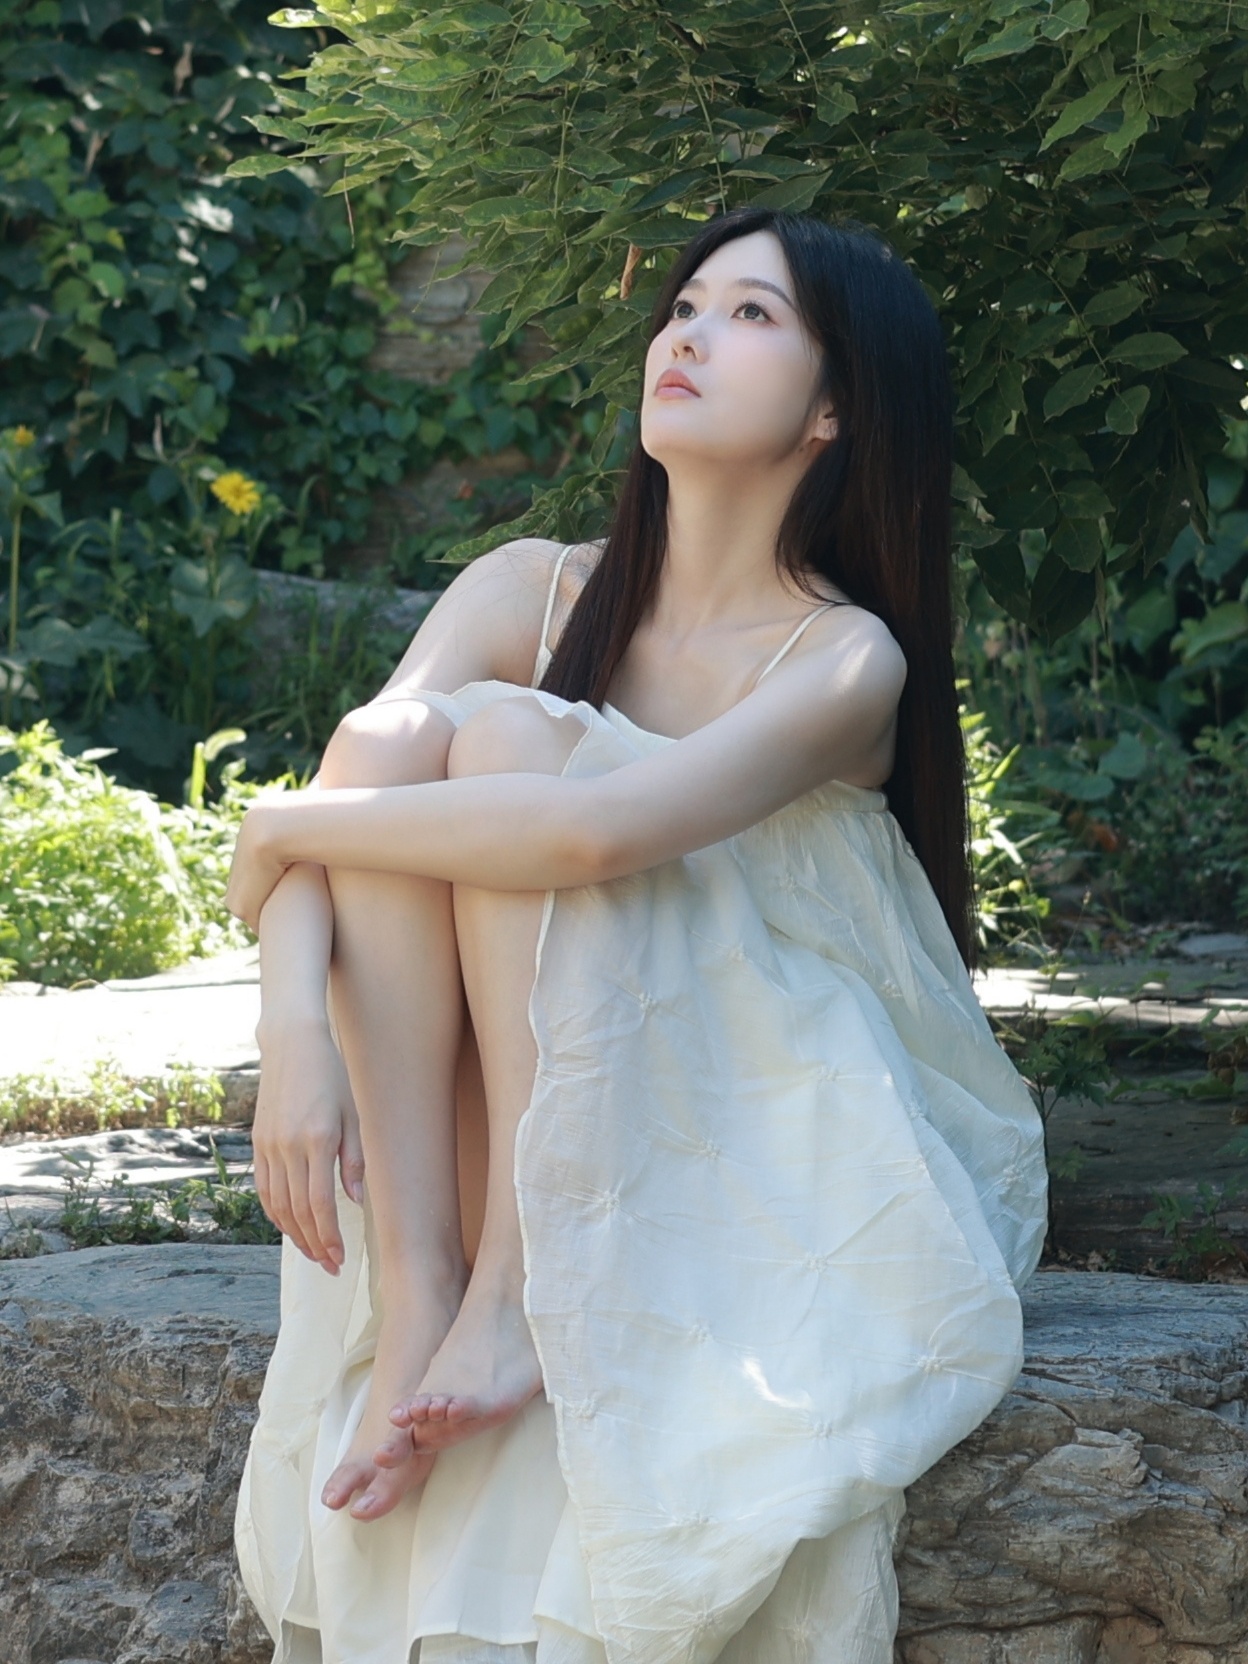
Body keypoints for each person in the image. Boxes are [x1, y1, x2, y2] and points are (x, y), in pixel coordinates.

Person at [227, 206, 1048, 1664]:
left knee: (504, 745)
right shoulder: (528, 588)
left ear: (836, 408)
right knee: (407, 737)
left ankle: (516, 1290)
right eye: (685, 305)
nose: (688, 334)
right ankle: (426, 1287)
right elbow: (355, 782)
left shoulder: (842, 656)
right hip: (497, 1099)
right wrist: (294, 1033)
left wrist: (279, 826)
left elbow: (591, 837)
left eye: (752, 315)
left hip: (758, 1085)